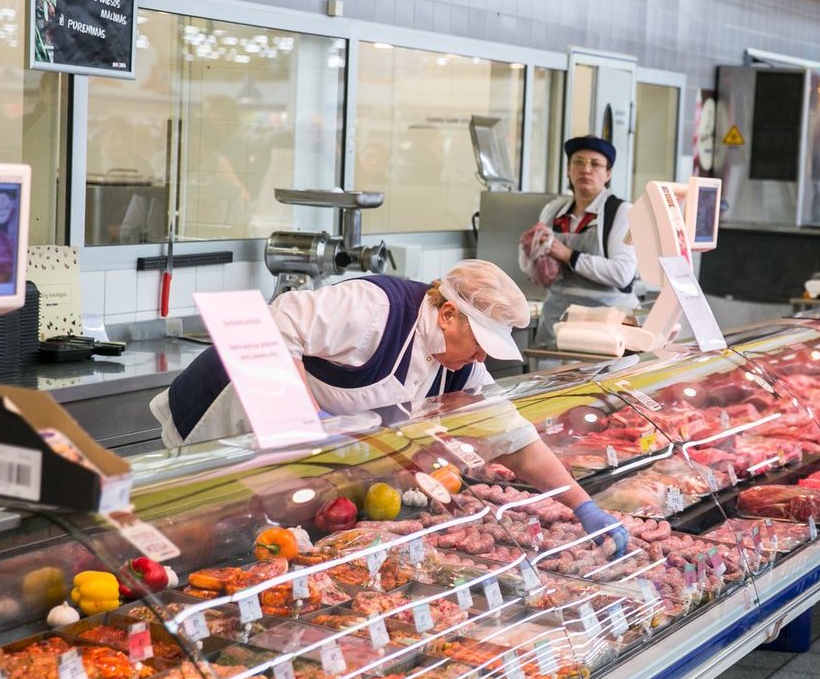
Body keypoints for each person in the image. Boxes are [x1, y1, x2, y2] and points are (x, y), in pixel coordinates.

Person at [150, 260, 628, 555]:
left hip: (290, 469)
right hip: (218, 420)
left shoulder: (460, 364)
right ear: (447, 314)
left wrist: (582, 505)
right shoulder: (374, 309)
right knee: (197, 537)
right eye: (481, 343)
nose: (483, 357)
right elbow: (271, 324)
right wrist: (307, 421)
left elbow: (514, 439)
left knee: (248, 542)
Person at [524, 135, 639, 349]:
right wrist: (532, 255)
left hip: (607, 328)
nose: (586, 169)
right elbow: (540, 276)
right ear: (568, 169)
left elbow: (622, 274)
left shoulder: (621, 212)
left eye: (595, 164)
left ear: (608, 173)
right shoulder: (553, 211)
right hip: (556, 324)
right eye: (578, 162)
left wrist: (568, 255)